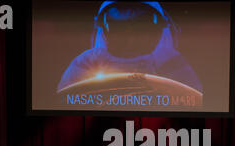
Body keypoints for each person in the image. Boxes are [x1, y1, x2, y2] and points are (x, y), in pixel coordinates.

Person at [58, 1, 202, 93]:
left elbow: (192, 103)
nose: (130, 39)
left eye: (140, 27)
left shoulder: (172, 63)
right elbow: (65, 100)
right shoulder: (86, 63)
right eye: (117, 27)